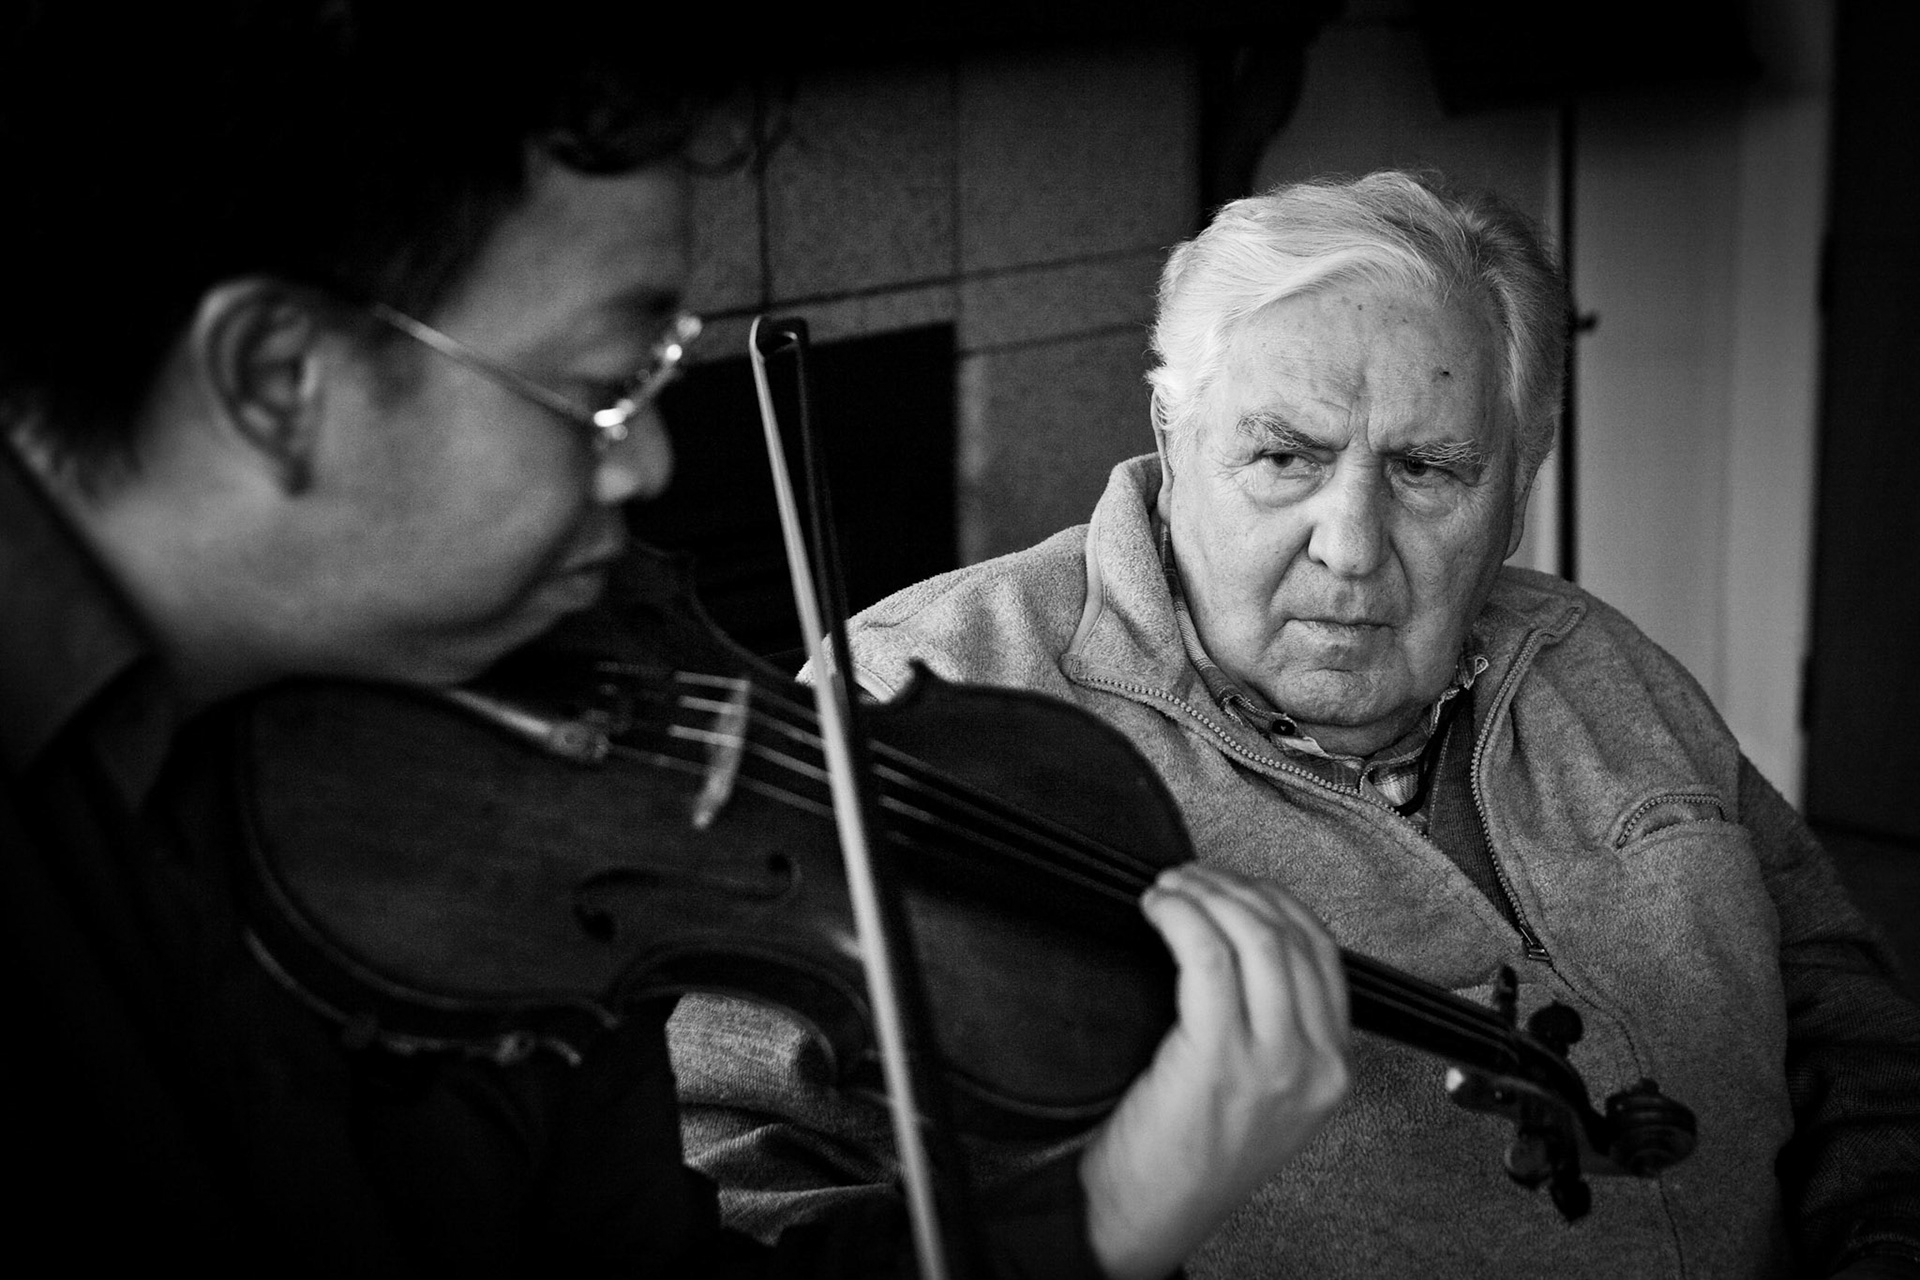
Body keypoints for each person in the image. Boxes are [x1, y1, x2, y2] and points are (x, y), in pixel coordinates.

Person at [0, 4, 1355, 1274]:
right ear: (277, 380)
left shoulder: (538, 790)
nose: (649, 461)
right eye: (601, 389)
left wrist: (1101, 1212)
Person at [667, 170, 1920, 1278]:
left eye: (1428, 471)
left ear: (1518, 484)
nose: (1352, 545)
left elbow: (1849, 1022)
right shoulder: (916, 701)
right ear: (1173, 436)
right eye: (1284, 457)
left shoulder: (1598, 659)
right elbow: (729, 1185)